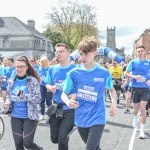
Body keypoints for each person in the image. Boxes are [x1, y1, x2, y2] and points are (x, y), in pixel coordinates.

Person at [61, 36, 117, 150]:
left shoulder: (104, 73)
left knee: (90, 148)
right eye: (81, 54)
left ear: (95, 52)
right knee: (95, 148)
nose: (83, 57)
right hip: (81, 117)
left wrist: (114, 104)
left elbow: (111, 89)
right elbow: (63, 93)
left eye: (87, 53)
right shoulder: (74, 73)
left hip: (98, 117)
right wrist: (67, 101)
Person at [4, 56, 43, 150]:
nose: (19, 69)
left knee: (27, 143)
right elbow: (9, 96)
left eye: (22, 66)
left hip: (30, 116)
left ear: (26, 67)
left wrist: (23, 95)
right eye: (17, 66)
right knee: (18, 144)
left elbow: (38, 99)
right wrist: (7, 103)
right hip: (15, 116)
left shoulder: (32, 81)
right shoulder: (12, 81)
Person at [45, 43, 76, 150]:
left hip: (69, 108)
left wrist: (76, 95)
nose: (58, 53)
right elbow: (47, 84)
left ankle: (65, 136)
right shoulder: (52, 69)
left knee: (62, 138)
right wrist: (50, 87)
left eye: (61, 51)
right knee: (55, 139)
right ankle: (64, 137)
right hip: (56, 107)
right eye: (57, 51)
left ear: (68, 53)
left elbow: (83, 86)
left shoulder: (75, 69)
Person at [125, 45, 150, 139]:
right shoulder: (133, 62)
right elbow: (126, 73)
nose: (140, 52)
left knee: (143, 108)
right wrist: (135, 77)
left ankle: (142, 131)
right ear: (137, 52)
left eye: (142, 51)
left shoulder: (148, 62)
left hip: (145, 88)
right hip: (135, 88)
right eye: (138, 51)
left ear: (145, 51)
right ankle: (135, 117)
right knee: (135, 110)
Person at [38, 56, 52, 120]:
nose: (42, 63)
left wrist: (50, 87)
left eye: (44, 62)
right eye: (41, 62)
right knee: (41, 100)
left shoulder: (50, 69)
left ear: (46, 62)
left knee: (48, 101)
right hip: (41, 86)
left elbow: (52, 78)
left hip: (48, 86)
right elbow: (38, 77)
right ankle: (42, 114)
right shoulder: (39, 68)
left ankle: (49, 115)